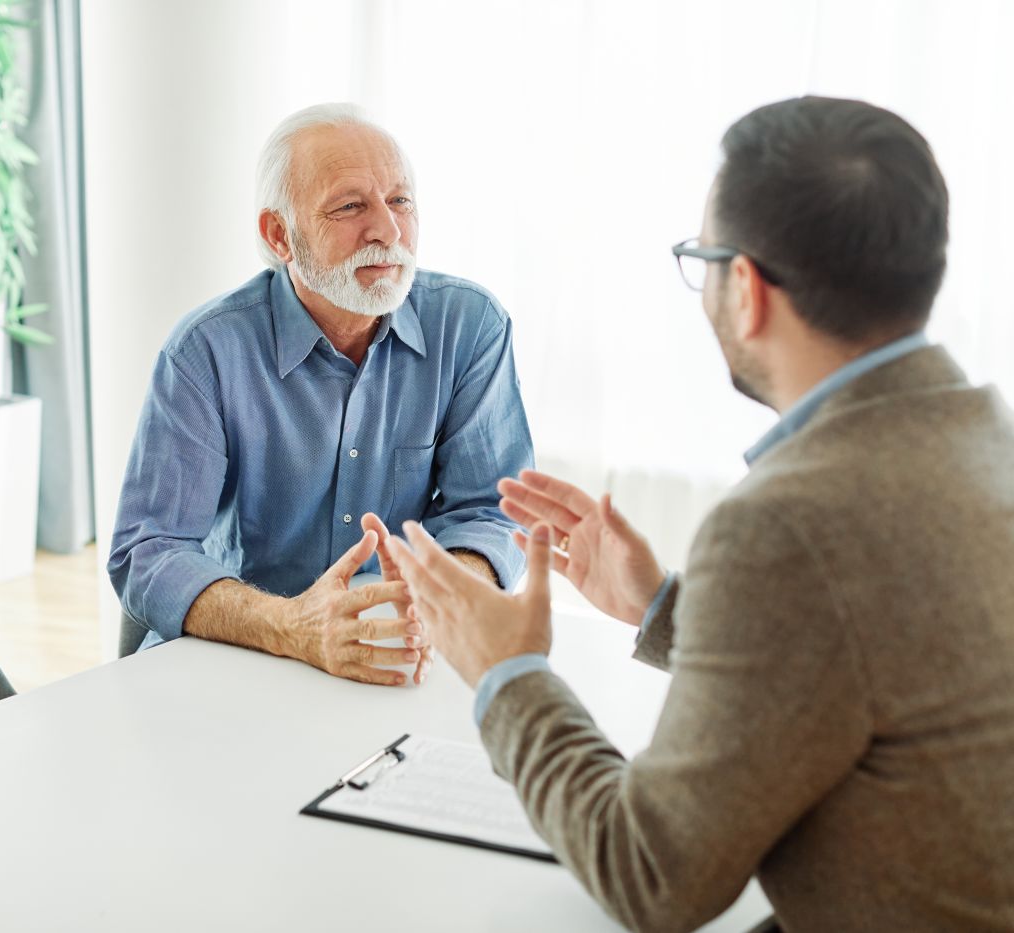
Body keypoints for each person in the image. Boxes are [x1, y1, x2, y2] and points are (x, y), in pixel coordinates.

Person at [389, 96, 1014, 931]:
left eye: (703, 259)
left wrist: (509, 672)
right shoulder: (984, 443)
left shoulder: (785, 524)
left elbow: (653, 875)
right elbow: (892, 659)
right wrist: (665, 608)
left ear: (747, 287)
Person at [108, 103, 533, 686]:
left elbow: (494, 509)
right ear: (279, 235)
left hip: (394, 654)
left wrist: (440, 595)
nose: (387, 229)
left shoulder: (469, 326)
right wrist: (294, 626)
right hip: (242, 654)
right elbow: (147, 552)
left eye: (400, 201)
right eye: (351, 206)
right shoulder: (205, 351)